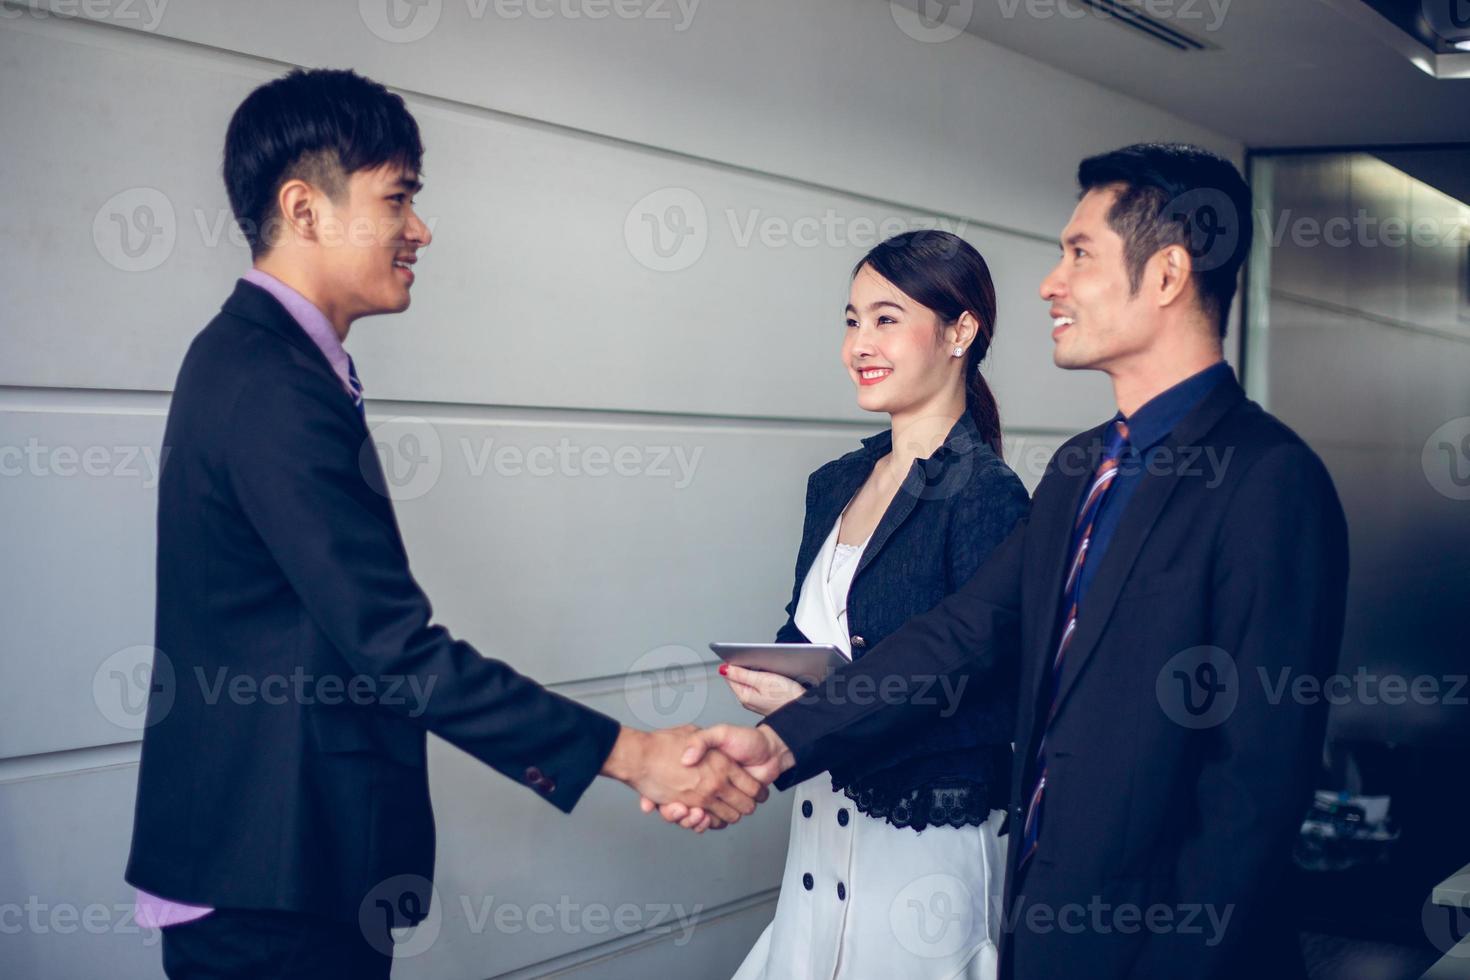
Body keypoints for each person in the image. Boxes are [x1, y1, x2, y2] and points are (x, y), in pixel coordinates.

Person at [124, 67, 763, 980]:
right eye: (399, 199)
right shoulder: (270, 382)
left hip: (276, 862)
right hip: (270, 881)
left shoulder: (261, 362)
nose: (419, 229)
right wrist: (633, 754)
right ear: (304, 209)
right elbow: (395, 648)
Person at [667, 143, 1350, 980]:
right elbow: (958, 635)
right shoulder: (1078, 470)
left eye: (1078, 254)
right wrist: (778, 742)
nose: (1049, 283)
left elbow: (1253, 795)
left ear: (1167, 273)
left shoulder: (1268, 480)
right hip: (1045, 929)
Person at [721, 231, 1028, 979]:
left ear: (961, 332)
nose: (861, 342)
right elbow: (810, 631)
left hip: (925, 838)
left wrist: (814, 705)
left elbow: (974, 680)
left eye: (887, 318)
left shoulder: (986, 492)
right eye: (852, 320)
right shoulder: (834, 482)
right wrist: (780, 680)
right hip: (821, 814)